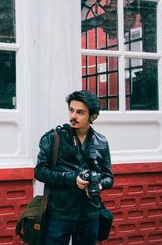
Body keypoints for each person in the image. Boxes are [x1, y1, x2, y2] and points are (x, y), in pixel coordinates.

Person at [34, 90, 114, 245]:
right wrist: (72, 179)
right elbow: (40, 172)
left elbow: (109, 178)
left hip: (90, 215)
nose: (73, 116)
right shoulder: (53, 138)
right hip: (59, 215)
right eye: (71, 110)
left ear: (93, 116)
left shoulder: (101, 142)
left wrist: (99, 185)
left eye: (80, 112)